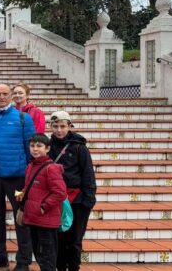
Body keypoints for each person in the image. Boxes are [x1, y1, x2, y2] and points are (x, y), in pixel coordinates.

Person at [0, 84, 36, 270]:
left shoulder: (23, 118)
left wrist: (26, 174)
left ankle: (23, 261)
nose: (1, 97)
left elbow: (31, 149)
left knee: (21, 218)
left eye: (5, 94)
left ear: (11, 96)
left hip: (17, 178)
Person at [48, 111, 96, 271]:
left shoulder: (79, 147)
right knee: (59, 237)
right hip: (57, 199)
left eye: (62, 126)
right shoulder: (48, 146)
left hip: (78, 200)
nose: (59, 130)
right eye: (55, 126)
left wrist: (88, 200)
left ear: (69, 126)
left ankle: (74, 267)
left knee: (75, 240)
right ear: (51, 127)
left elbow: (88, 174)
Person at [20, 133, 67, 271]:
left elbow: (60, 192)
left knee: (47, 258)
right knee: (40, 255)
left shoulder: (51, 168)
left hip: (45, 220)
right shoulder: (30, 166)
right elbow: (30, 186)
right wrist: (23, 193)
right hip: (33, 219)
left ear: (47, 149)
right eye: (32, 146)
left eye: (39, 146)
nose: (35, 149)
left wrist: (43, 207)